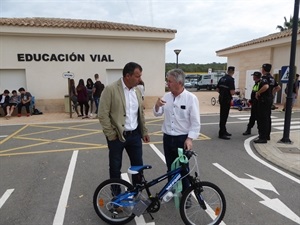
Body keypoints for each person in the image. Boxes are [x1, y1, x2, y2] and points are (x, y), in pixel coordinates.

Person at [98, 62, 150, 187]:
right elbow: (102, 114)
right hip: (117, 137)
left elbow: (140, 113)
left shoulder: (137, 91)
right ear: (128, 76)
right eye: (137, 76)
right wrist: (110, 134)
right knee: (115, 168)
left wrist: (144, 131)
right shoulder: (110, 89)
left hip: (135, 135)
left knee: (138, 167)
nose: (140, 79)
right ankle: (116, 199)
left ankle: (137, 194)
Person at [153, 68, 200, 196]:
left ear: (179, 83)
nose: (167, 84)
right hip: (168, 138)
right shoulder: (166, 97)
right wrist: (157, 105)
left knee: (183, 169)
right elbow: (157, 113)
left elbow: (195, 122)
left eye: (170, 81)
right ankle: (171, 190)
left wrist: (190, 138)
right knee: (170, 167)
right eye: (167, 81)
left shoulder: (191, 98)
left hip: (182, 139)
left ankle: (186, 194)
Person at [254, 63, 280, 143]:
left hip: (263, 100)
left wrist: (258, 92)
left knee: (262, 118)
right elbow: (278, 87)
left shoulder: (264, 78)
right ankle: (267, 135)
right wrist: (272, 93)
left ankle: (263, 137)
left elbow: (266, 86)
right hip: (269, 100)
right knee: (267, 118)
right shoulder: (272, 78)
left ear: (263, 69)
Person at [216, 66, 236, 140]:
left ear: (227, 71)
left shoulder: (222, 78)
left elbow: (217, 89)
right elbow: (232, 92)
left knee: (222, 115)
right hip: (227, 99)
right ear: (233, 72)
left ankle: (224, 130)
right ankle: (221, 133)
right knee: (224, 116)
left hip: (221, 98)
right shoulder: (231, 80)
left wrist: (222, 92)